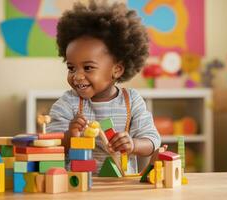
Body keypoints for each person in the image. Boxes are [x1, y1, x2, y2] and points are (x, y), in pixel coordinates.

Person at [47, 0, 161, 174]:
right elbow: (50, 143)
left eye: (88, 68)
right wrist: (70, 136)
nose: (77, 76)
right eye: (71, 68)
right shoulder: (67, 103)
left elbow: (152, 141)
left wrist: (133, 144)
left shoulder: (132, 101)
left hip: (120, 188)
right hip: (79, 186)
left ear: (117, 69)